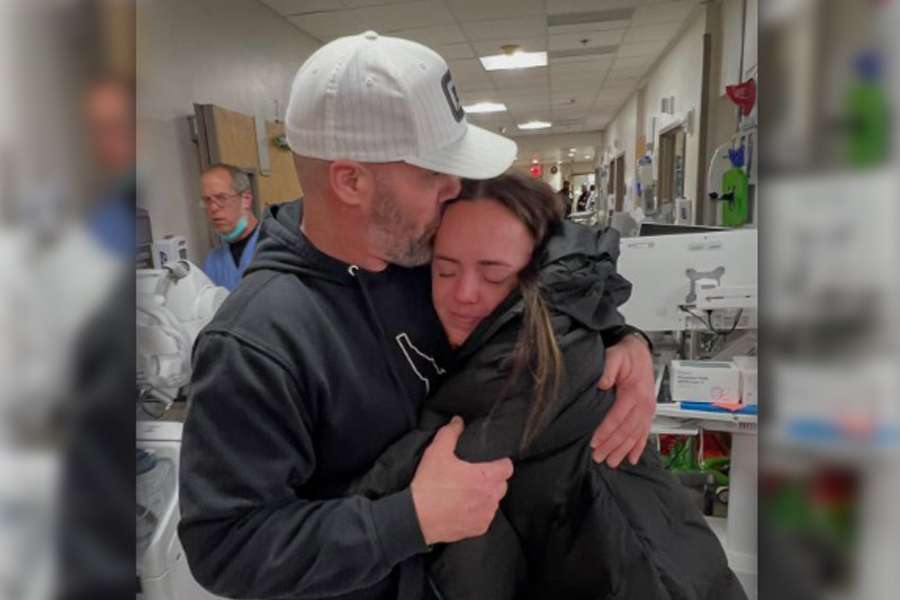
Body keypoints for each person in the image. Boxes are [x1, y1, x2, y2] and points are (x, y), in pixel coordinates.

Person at [179, 31, 655, 600]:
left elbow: (551, 262)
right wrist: (410, 520)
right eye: (434, 173)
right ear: (351, 180)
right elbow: (226, 547)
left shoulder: (426, 247)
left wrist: (621, 337)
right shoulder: (258, 342)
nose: (455, 188)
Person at [348, 172, 746, 599]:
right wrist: (625, 335)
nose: (463, 294)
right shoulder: (550, 328)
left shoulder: (531, 365)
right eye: (445, 272)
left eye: (494, 274)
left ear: (532, 276)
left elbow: (414, 494)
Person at [198, 164, 261, 290]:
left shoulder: (278, 247)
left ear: (246, 199)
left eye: (221, 198)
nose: (213, 208)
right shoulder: (213, 262)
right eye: (207, 201)